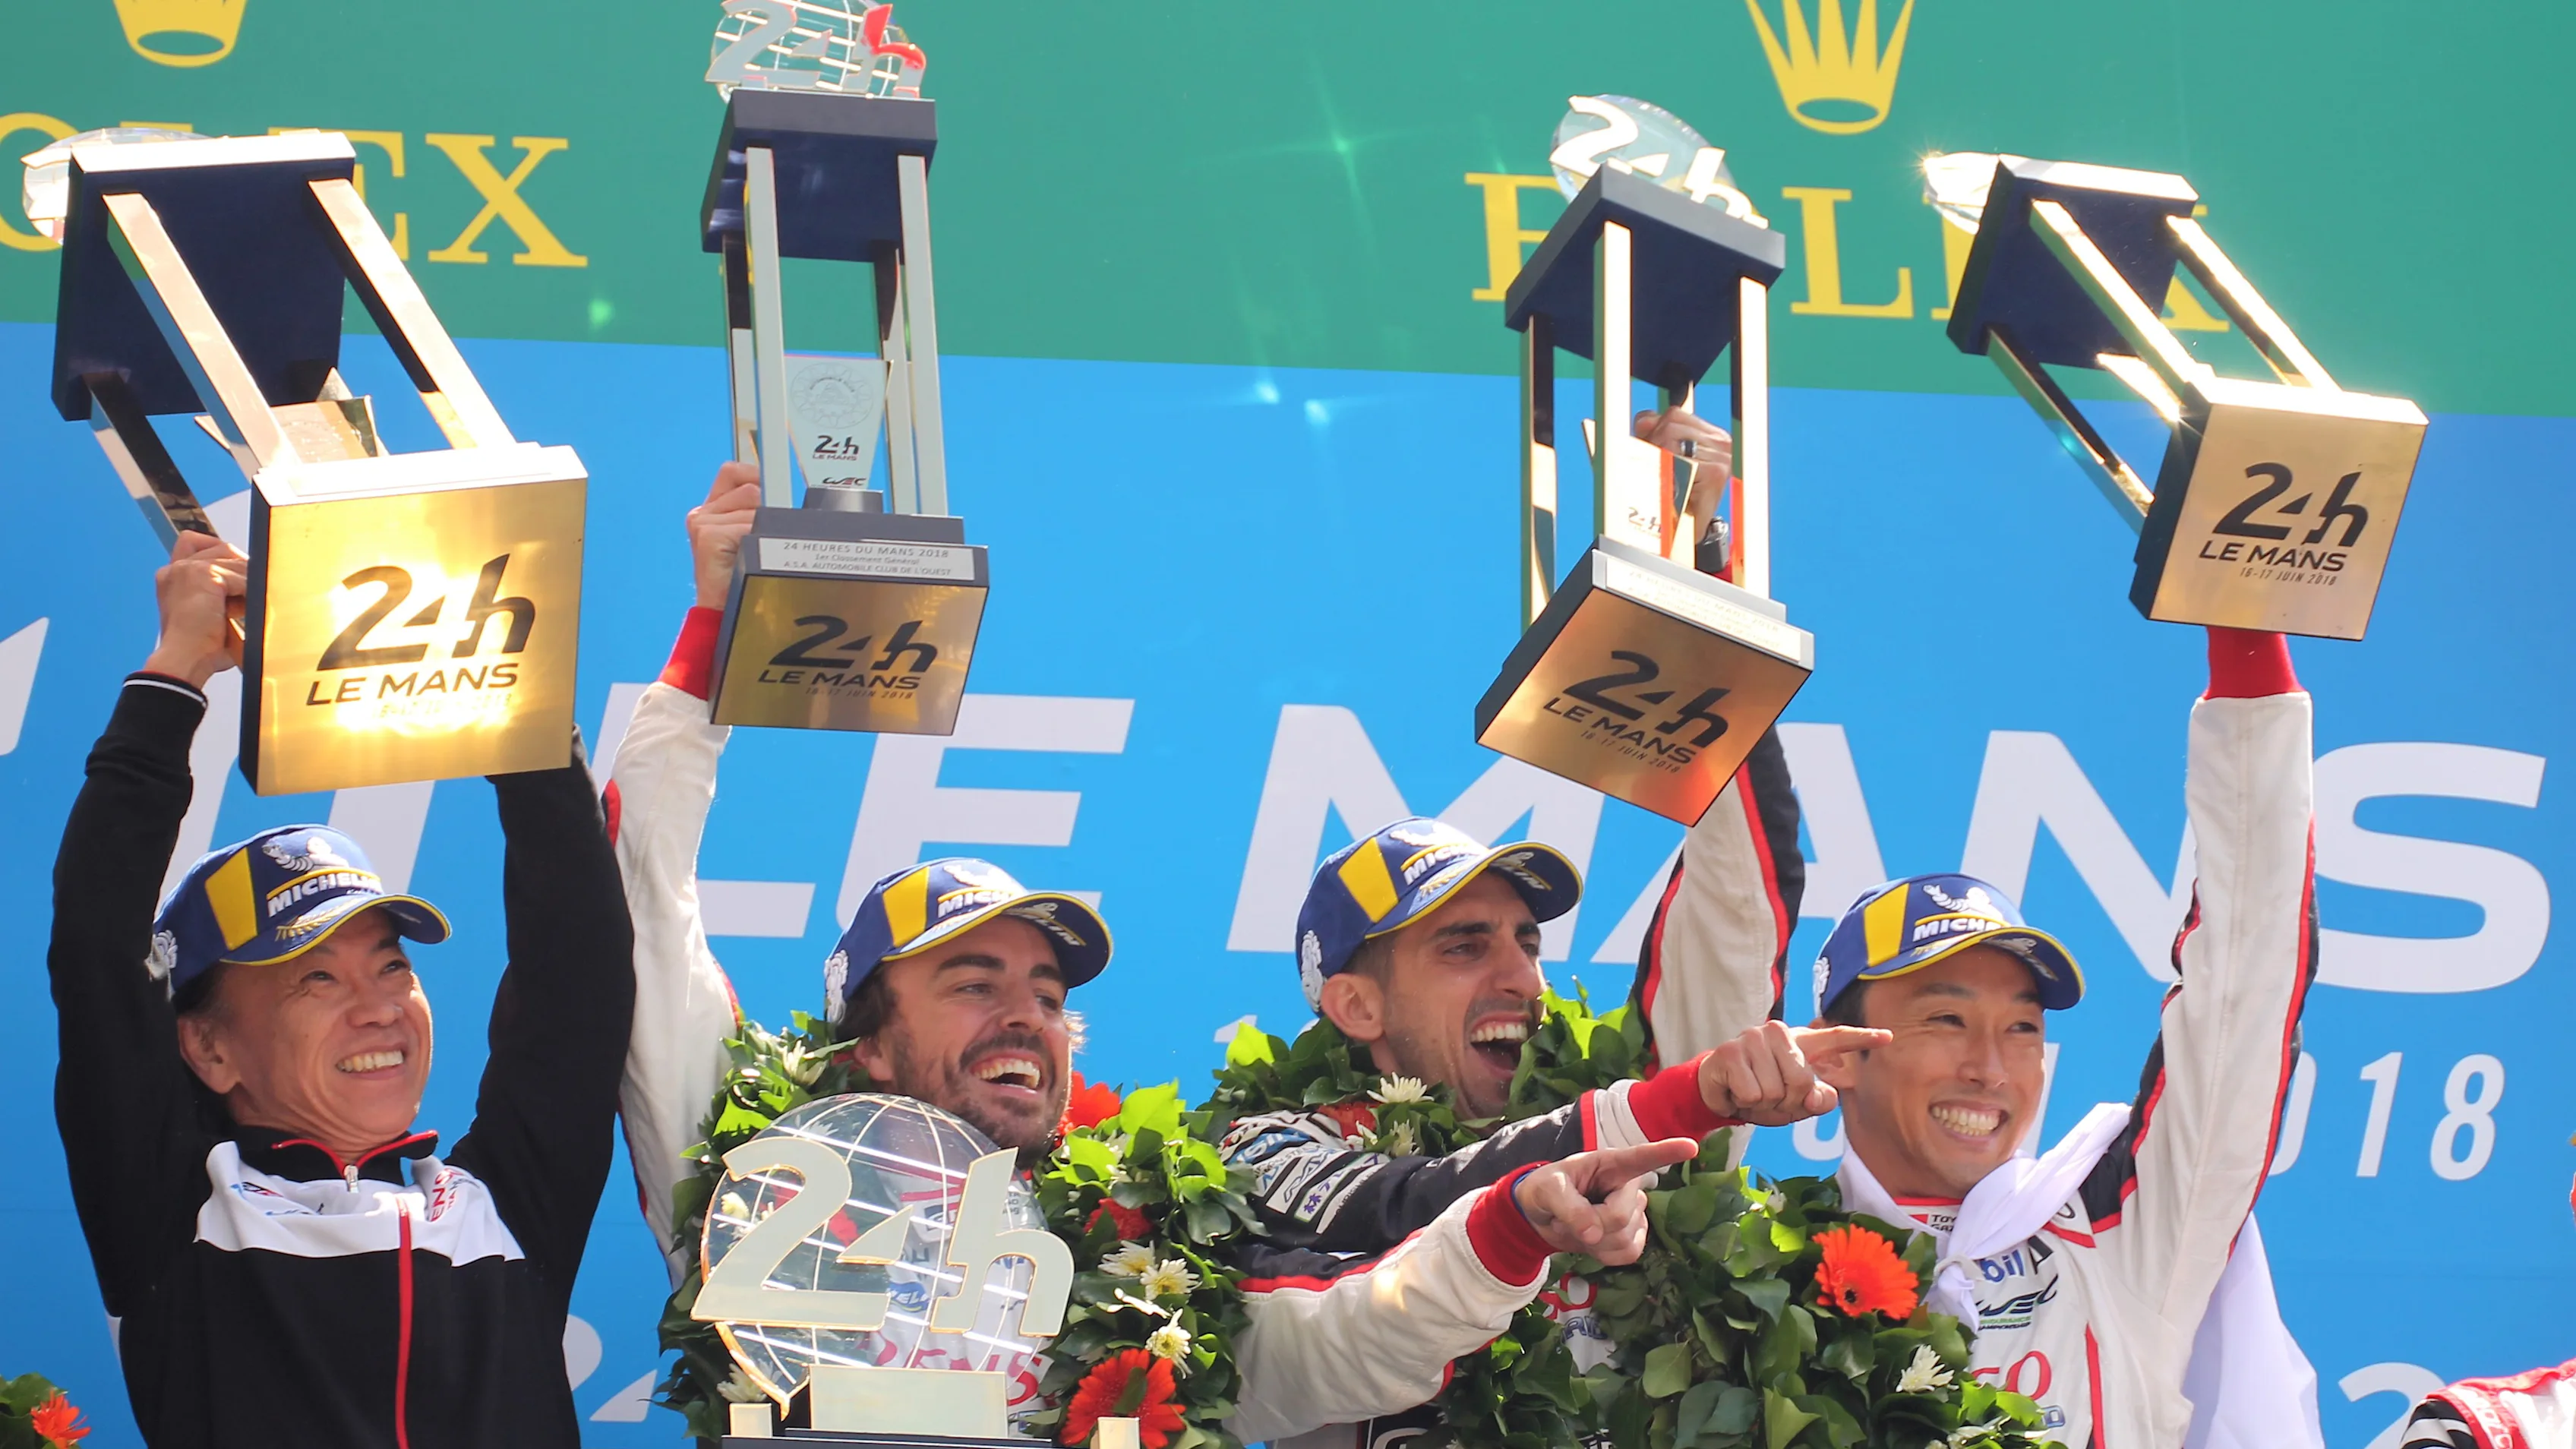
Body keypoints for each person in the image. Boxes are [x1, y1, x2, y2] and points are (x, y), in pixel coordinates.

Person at [1217, 407, 1883, 1449]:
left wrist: (1696, 582)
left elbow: (1740, 898)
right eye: (1461, 945)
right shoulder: (1266, 1147)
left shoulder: (1626, 1121)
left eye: (1525, 941)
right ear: (1354, 1001)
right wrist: (1611, 1144)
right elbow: (1404, 1207)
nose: (1517, 976)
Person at [50, 531, 635, 1447]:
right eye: (314, 978)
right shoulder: (180, 1211)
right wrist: (175, 675)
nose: (378, 1006)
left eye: (391, 966)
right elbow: (94, 953)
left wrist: (513, 707)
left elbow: (579, 981)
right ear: (207, 1047)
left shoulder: (496, 1206)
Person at [1796, 624, 2318, 1449]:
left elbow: (2241, 1000)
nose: (1990, 1068)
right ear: (1843, 1050)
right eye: (1946, 1019)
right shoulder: (1758, 1274)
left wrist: (2244, 637)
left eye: (2021, 1030)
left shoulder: (2120, 1235)